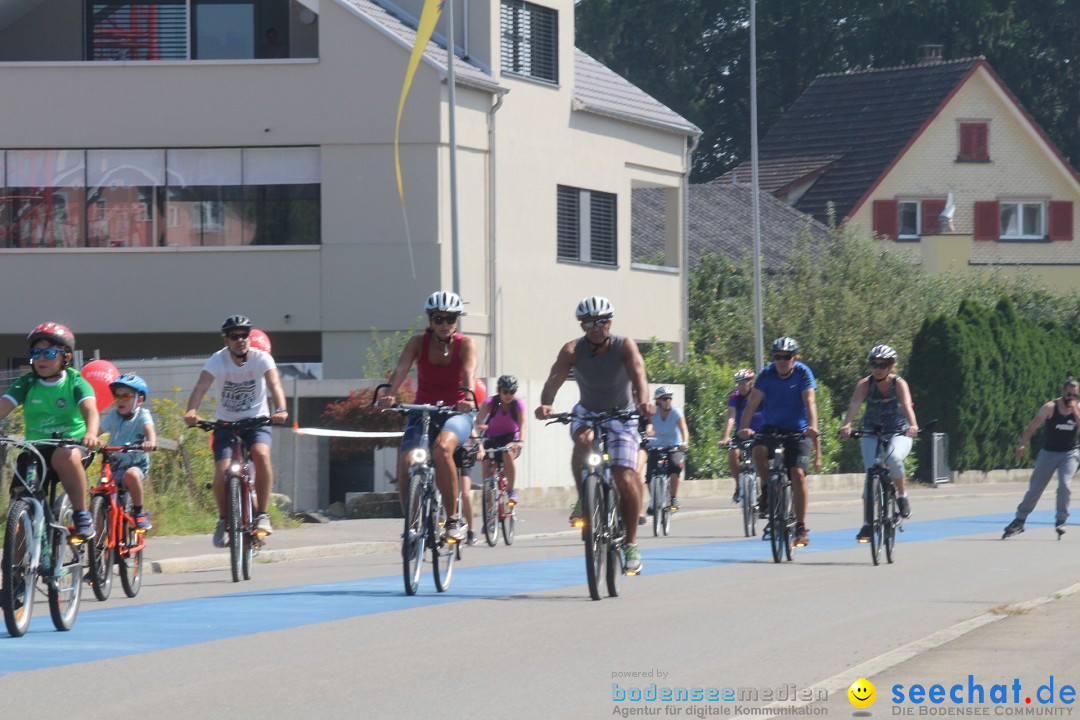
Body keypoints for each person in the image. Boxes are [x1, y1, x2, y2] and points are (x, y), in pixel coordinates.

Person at [534, 295, 653, 574]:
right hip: (587, 411)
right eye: (588, 323)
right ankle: (584, 497)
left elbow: (639, 375)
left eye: (600, 321)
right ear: (582, 326)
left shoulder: (624, 345)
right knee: (583, 441)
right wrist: (546, 402)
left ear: (609, 322)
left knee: (625, 477)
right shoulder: (573, 350)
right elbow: (555, 378)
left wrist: (644, 402)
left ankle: (632, 545)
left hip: (622, 415)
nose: (595, 327)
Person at [377, 291, 479, 543]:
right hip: (422, 410)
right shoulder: (417, 343)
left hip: (456, 412)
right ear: (430, 321)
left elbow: (469, 373)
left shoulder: (465, 344)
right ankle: (411, 523)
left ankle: (453, 520)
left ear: (457, 320)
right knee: (406, 461)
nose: (445, 324)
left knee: (443, 448)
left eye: (451, 318)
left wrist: (467, 398)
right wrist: (389, 395)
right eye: (439, 318)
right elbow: (401, 370)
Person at [184, 315, 288, 547]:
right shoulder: (217, 360)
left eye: (244, 335)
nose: (240, 340)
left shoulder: (262, 359)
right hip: (226, 424)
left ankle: (262, 515)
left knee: (261, 455)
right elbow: (201, 386)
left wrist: (281, 409)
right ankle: (223, 520)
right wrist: (192, 410)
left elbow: (274, 384)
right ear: (226, 340)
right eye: (234, 336)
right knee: (222, 473)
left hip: (256, 421)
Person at [0, 323, 98, 540]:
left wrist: (90, 433)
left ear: (66, 357)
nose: (41, 358)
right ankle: (16, 571)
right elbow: (4, 406)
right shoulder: (27, 382)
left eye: (49, 352)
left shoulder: (75, 381)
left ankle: (81, 514)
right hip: (36, 450)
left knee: (64, 456)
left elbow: (90, 410)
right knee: (20, 503)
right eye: (35, 353)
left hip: (71, 447)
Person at [737, 336, 820, 547]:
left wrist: (812, 426)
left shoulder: (803, 372)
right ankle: (767, 488)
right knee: (758, 451)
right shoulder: (766, 374)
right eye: (777, 357)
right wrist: (743, 428)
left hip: (798, 430)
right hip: (772, 428)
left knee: (798, 474)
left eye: (787, 357)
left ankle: (801, 526)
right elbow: (752, 403)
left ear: (795, 358)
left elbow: (809, 401)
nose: (782, 361)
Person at [839, 345, 919, 542]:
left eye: (883, 365)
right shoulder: (864, 384)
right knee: (870, 474)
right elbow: (855, 405)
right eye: (874, 364)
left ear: (891, 366)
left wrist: (913, 425)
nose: (878, 368)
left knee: (893, 459)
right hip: (871, 431)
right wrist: (847, 425)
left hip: (898, 431)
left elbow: (907, 405)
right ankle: (867, 523)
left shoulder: (899, 383)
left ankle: (901, 495)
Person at [1003, 377, 1080, 539]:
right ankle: (1019, 520)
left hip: (1069, 454)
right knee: (1036, 488)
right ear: (1062, 392)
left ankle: (1061, 520)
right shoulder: (1049, 408)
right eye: (1068, 395)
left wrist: (1075, 411)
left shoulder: (1077, 409)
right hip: (1049, 453)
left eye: (1074, 395)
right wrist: (1022, 444)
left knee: (1065, 485)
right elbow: (1032, 427)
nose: (1071, 399)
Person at [98, 373, 157, 531]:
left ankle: (139, 512)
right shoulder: (113, 416)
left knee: (132, 475)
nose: (120, 400)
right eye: (117, 396)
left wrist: (150, 442)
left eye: (125, 396)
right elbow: (98, 430)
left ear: (139, 399)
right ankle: (96, 538)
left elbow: (149, 429)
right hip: (114, 465)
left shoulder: (142, 415)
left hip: (135, 463)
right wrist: (91, 439)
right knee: (99, 493)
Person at [475, 374, 526, 507]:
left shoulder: (518, 404)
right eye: (505, 392)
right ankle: (490, 511)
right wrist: (480, 424)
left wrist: (520, 441)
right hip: (492, 438)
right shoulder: (490, 402)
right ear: (499, 391)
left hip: (511, 438)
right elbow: (479, 418)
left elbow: (523, 425)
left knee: (507, 452)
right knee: (486, 466)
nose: (508, 395)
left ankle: (511, 491)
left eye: (512, 392)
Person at [719, 368, 764, 504]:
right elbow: (731, 417)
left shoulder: (760, 396)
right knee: (732, 453)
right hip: (742, 435)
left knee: (764, 463)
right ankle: (739, 485)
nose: (740, 386)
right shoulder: (735, 398)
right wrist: (726, 436)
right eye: (738, 383)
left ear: (751, 382)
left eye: (743, 382)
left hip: (760, 435)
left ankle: (765, 492)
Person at [646, 386, 689, 512]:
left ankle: (673, 498)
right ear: (658, 400)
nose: (668, 401)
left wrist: (685, 442)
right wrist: (649, 432)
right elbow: (648, 426)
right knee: (649, 477)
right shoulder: (653, 412)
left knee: (676, 467)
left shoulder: (676, 412)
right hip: (656, 446)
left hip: (674, 446)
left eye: (670, 398)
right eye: (664, 399)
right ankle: (654, 500)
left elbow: (683, 429)